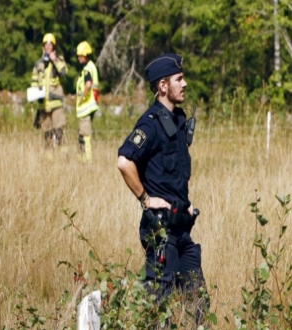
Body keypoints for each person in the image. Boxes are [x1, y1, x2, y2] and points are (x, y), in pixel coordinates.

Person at [117, 53, 207, 319]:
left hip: (182, 230)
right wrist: (145, 199)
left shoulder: (177, 121)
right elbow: (124, 162)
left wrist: (185, 204)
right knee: (158, 311)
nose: (185, 84)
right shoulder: (150, 124)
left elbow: (175, 175)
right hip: (161, 232)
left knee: (198, 306)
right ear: (163, 86)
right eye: (179, 79)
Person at [31, 33, 68, 150]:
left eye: (50, 44)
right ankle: (49, 157)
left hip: (56, 103)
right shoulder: (39, 63)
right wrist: (35, 96)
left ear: (53, 46)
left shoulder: (59, 59)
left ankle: (62, 156)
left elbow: (64, 73)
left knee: (58, 131)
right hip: (43, 104)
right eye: (45, 44)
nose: (47, 46)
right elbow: (34, 81)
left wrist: (54, 60)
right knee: (47, 132)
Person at [75, 41, 99, 162]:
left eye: (80, 55)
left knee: (84, 134)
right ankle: (84, 158)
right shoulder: (92, 66)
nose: (78, 58)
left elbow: (88, 85)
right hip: (91, 105)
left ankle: (86, 159)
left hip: (86, 107)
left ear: (85, 55)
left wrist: (81, 98)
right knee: (84, 133)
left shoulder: (87, 69)